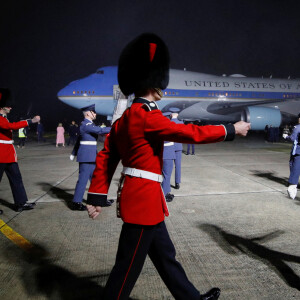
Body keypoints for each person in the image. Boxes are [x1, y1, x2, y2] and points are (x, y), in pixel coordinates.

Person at [86, 33, 250, 300]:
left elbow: (107, 155)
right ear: (154, 83)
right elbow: (190, 133)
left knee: (165, 258)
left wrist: (96, 194)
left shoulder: (125, 118)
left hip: (144, 199)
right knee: (125, 271)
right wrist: (231, 128)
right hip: (142, 202)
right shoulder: (146, 117)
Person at [0, 88, 40, 212]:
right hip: (1, 155)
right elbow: (10, 126)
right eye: (8, 106)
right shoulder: (1, 119)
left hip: (9, 155)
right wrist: (30, 121)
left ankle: (20, 203)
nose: (10, 107)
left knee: (16, 178)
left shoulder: (4, 117)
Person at [70, 104, 111, 211]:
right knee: (83, 180)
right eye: (93, 112)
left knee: (96, 180)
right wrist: (116, 127)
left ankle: (99, 200)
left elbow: (79, 140)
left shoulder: (89, 124)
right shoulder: (85, 124)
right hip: (86, 157)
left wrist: (73, 153)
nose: (95, 114)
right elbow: (100, 131)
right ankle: (76, 202)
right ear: (88, 113)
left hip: (91, 156)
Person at [283, 114, 300, 199]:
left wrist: (286, 137)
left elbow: (292, 138)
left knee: (294, 167)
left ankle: (292, 187)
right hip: (297, 151)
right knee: (293, 166)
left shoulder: (297, 127)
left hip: (297, 151)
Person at [170, 109, 183, 189]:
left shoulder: (168, 123)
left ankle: (166, 183)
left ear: (171, 115)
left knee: (168, 167)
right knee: (178, 166)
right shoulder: (181, 123)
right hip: (178, 147)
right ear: (177, 115)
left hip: (170, 147)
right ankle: (177, 183)